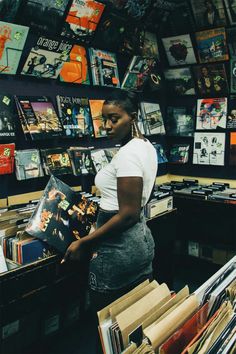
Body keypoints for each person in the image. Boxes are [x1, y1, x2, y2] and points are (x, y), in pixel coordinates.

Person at [62, 90, 157, 350]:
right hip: (140, 243)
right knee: (132, 322)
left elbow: (127, 214)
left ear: (133, 118)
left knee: (106, 327)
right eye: (103, 119)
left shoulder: (127, 155)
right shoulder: (145, 146)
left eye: (114, 119)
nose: (106, 126)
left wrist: (86, 242)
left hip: (116, 251)